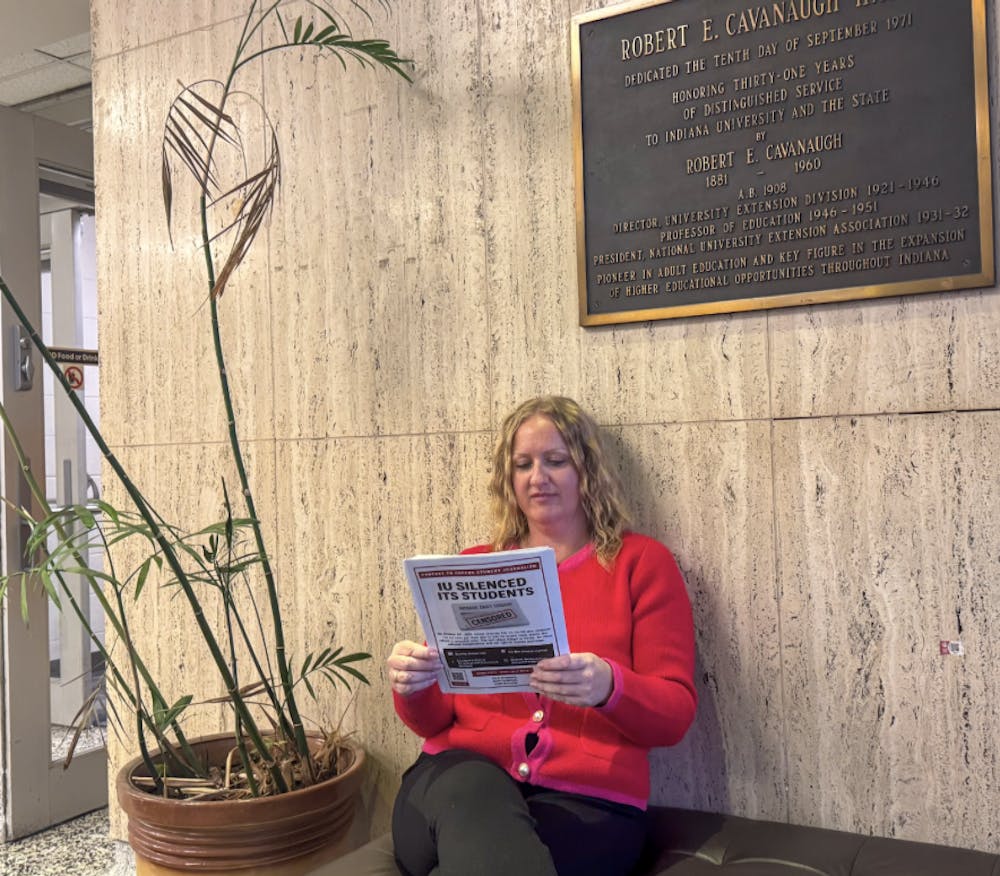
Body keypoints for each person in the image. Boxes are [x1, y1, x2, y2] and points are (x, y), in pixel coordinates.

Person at [387, 396, 697, 876]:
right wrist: (414, 685)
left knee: (499, 856)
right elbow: (432, 722)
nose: (538, 477)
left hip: (587, 805)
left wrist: (610, 687)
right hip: (451, 786)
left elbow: (673, 716)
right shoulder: (473, 565)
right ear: (508, 479)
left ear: (587, 471)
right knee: (477, 791)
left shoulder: (642, 565)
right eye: (523, 464)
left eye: (556, 461)